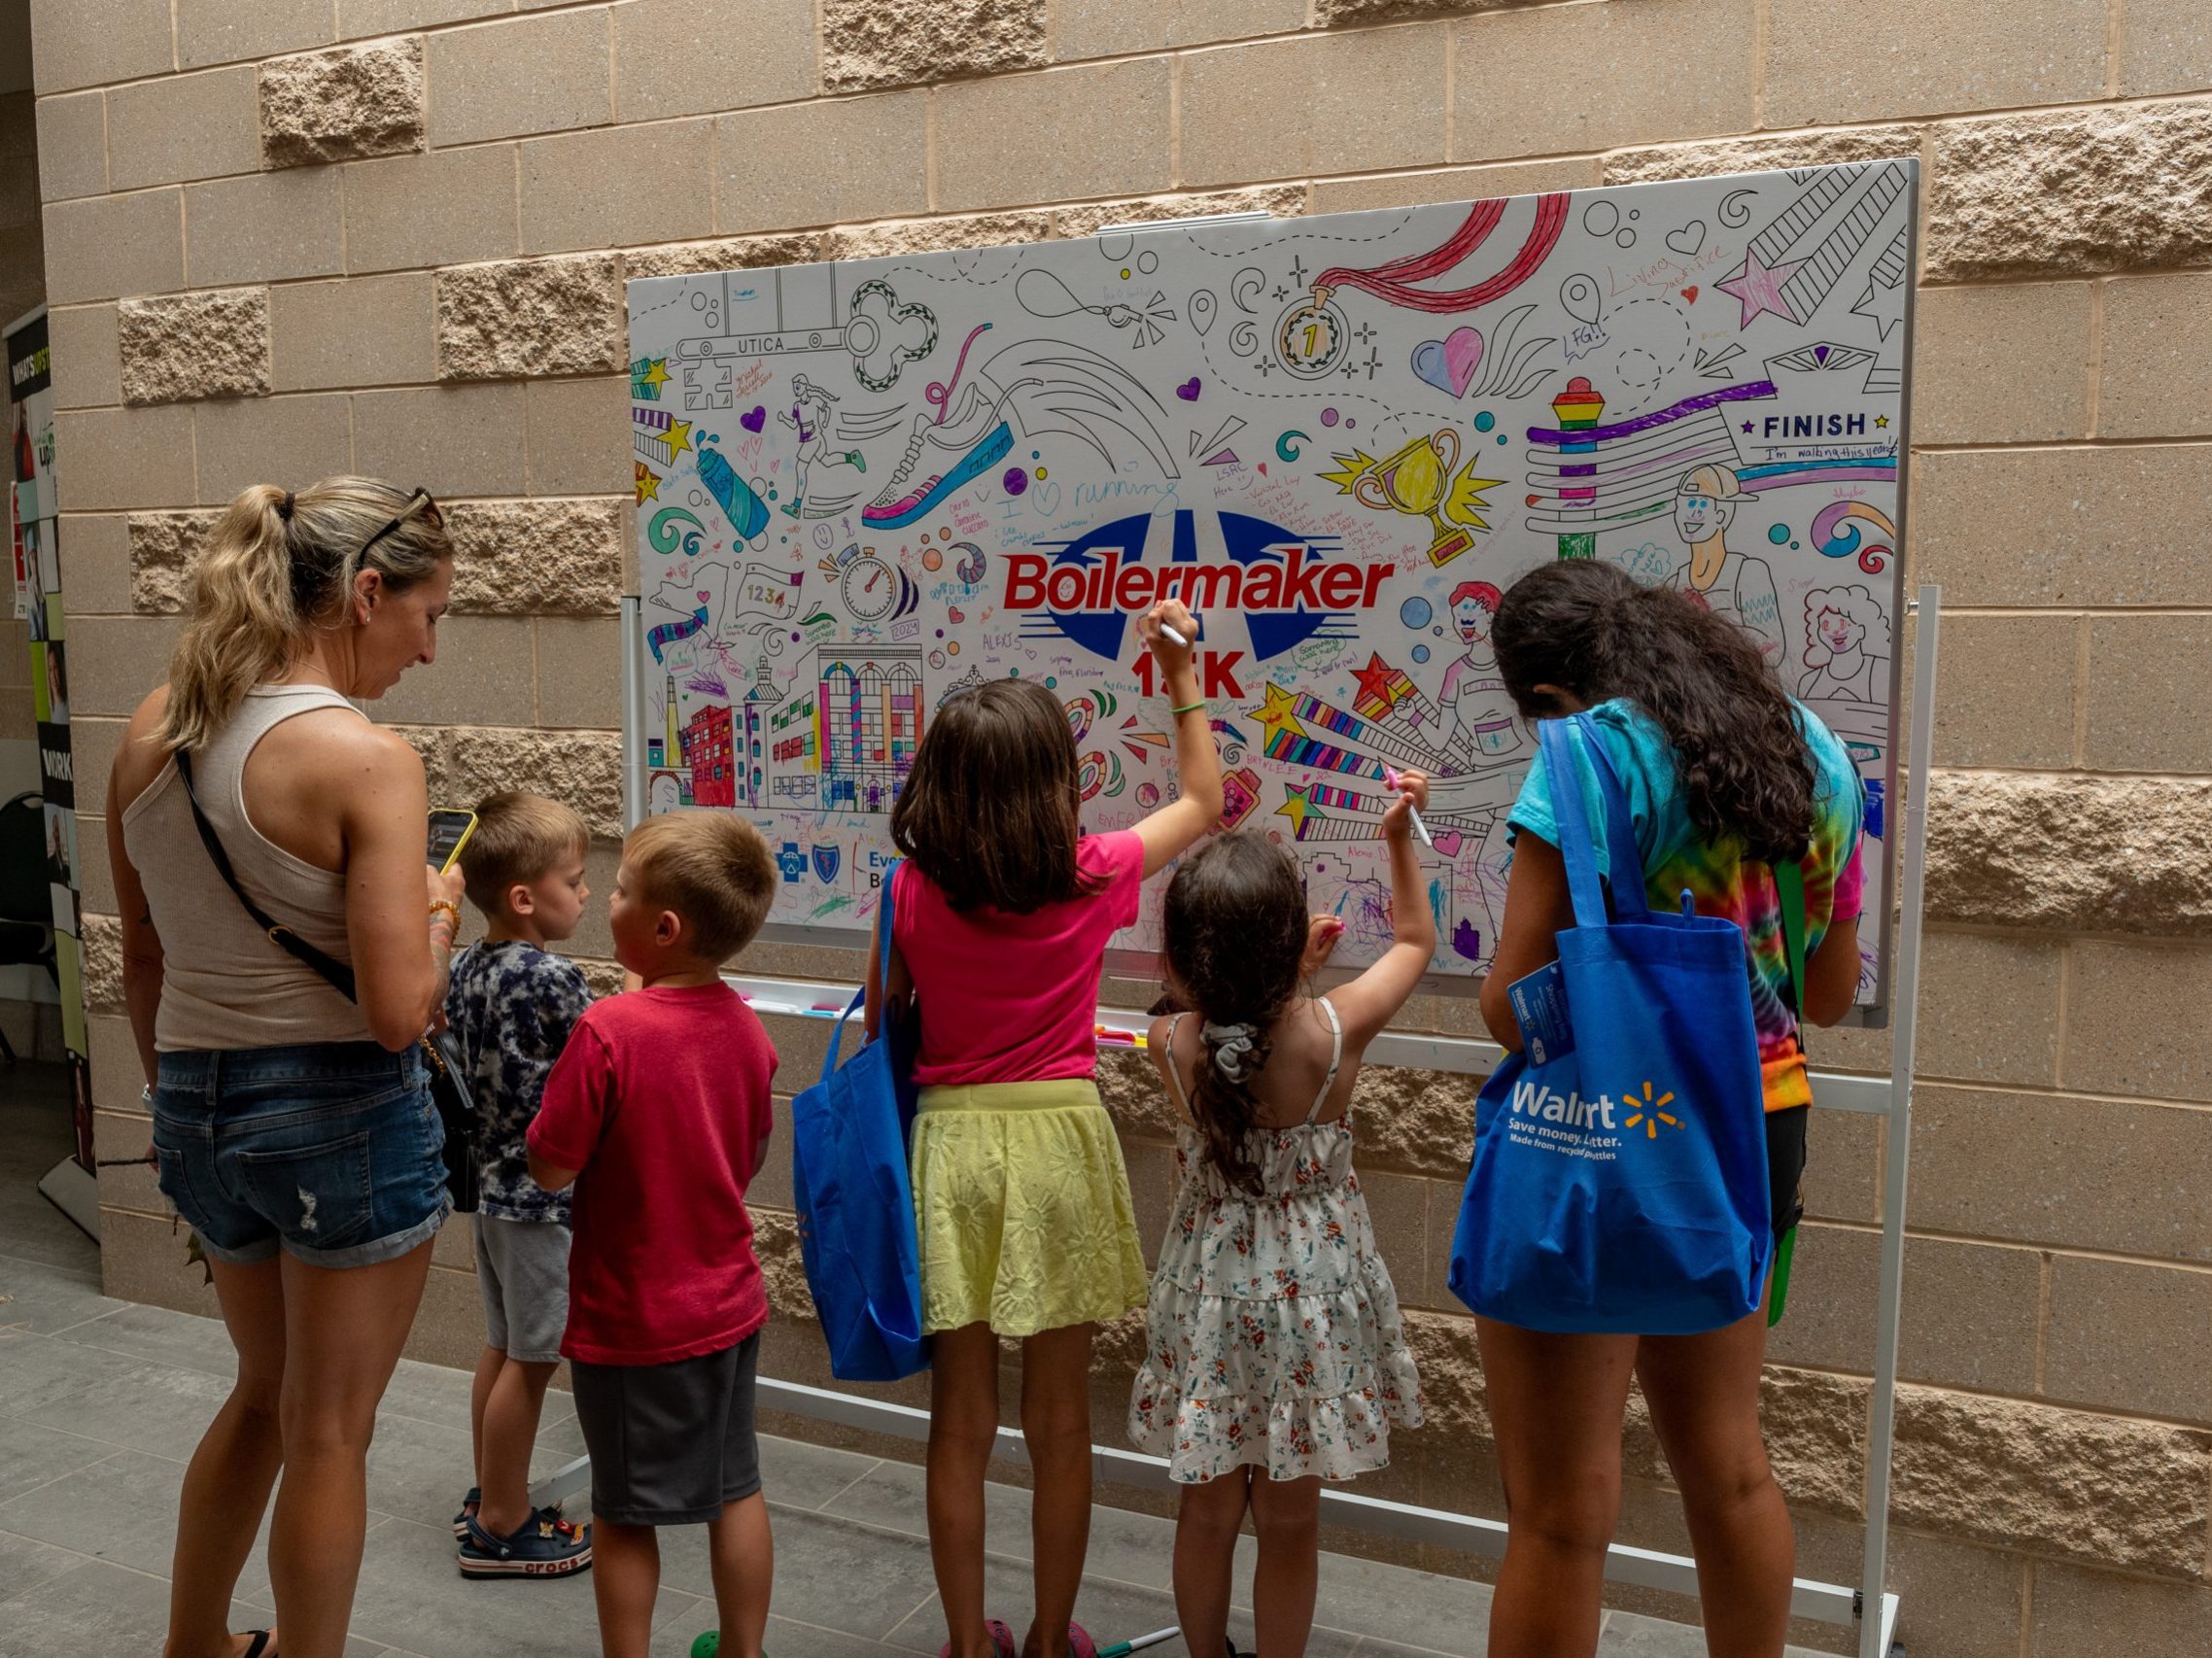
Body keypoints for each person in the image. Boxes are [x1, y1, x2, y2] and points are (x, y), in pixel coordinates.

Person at [1475, 559, 1865, 1658]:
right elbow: (1825, 996)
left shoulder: (1584, 754)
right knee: (1728, 1463)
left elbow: (1512, 1004)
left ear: (1547, 695)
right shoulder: (1815, 747)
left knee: (1558, 1510)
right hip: (1755, 1127)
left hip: (1608, 1129)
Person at [108, 478, 461, 1658]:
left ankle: (193, 1643)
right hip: (341, 1113)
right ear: (365, 593)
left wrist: (177, 1102)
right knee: (328, 1428)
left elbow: (142, 955)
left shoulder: (156, 725)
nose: (428, 643)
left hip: (197, 1101)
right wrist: (440, 917)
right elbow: (400, 1011)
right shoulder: (366, 759)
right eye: (427, 611)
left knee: (264, 1394)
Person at [865, 599, 1224, 1658]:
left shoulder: (907, 886)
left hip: (949, 1150)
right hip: (1061, 1143)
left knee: (959, 1421)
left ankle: (965, 1642)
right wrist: (1178, 670)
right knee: (1059, 1422)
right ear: (1056, 782)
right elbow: (1203, 798)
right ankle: (1050, 1633)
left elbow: (883, 1013)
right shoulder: (1095, 871)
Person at [1129, 795, 1434, 1658]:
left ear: (1183, 961)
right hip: (1313, 1311)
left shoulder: (1173, 1044)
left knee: (1207, 1506)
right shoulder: (1333, 1033)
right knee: (1291, 1521)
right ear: (1293, 942)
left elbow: (1209, 1016)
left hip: (1212, 1306)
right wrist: (1398, 841)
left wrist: (1270, 969)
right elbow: (1414, 941)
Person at [527, 811, 780, 1658]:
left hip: (636, 1318)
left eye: (624, 890)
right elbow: (740, 1158)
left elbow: (553, 1164)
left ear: (663, 928)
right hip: (728, 1304)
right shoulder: (747, 1030)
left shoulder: (609, 1031)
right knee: (735, 1486)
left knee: (625, 1511)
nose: (608, 898)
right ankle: (744, 1650)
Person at [443, 791, 596, 1578]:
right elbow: (606, 1061)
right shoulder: (552, 979)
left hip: (492, 1192)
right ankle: (503, 1523)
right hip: (543, 1199)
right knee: (534, 1361)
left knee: (502, 1348)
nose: (589, 893)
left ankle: (490, 1489)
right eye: (575, 880)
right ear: (524, 897)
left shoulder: (465, 965)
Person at [1662, 463, 1782, 666]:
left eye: (1700, 505)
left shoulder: (1748, 571)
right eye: (1686, 505)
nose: (1692, 514)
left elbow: (1773, 649)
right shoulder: (1675, 582)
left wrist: (1710, 627)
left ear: (1721, 515)